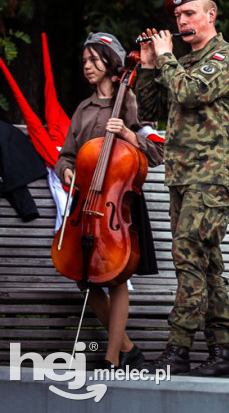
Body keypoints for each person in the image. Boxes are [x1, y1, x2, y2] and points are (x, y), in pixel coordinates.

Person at [136, 0, 229, 377]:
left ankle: (178, 349)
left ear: (210, 16)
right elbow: (149, 109)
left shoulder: (226, 58)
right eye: (178, 17)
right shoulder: (180, 64)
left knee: (187, 257)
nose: (181, 23)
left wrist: (166, 58)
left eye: (188, 15)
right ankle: (221, 354)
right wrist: (150, 65)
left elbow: (187, 94)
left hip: (211, 176)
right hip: (183, 177)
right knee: (207, 266)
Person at [55, 32, 164, 371]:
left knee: (116, 277)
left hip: (120, 204)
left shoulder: (132, 100)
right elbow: (66, 157)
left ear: (112, 62)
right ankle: (129, 347)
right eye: (84, 61)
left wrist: (130, 135)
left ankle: (112, 356)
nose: (87, 66)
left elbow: (158, 151)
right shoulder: (84, 109)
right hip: (86, 204)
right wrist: (66, 171)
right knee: (82, 276)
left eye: (94, 60)